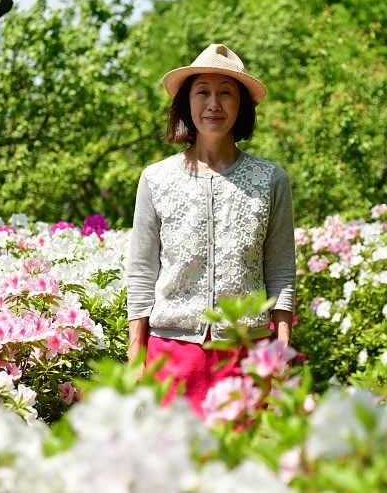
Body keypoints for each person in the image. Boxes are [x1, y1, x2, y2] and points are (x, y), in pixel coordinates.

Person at [125, 43, 296, 417]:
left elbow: (281, 273)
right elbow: (141, 273)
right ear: (186, 102)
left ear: (241, 106)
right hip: (170, 356)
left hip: (246, 357)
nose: (213, 104)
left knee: (240, 467)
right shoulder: (156, 179)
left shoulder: (271, 179)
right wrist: (136, 356)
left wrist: (281, 349)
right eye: (202, 91)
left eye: (225, 93)